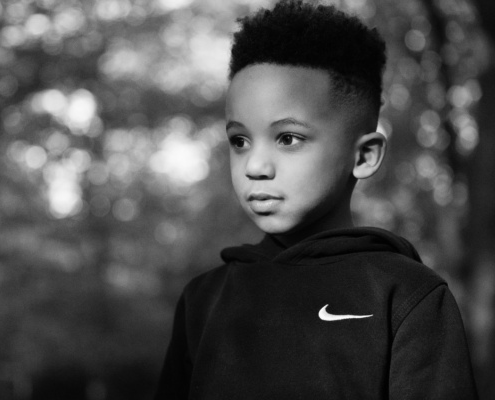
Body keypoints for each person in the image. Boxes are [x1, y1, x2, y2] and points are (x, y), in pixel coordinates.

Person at [154, 1, 478, 399]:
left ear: (363, 156)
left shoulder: (406, 295)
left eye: (288, 138)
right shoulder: (204, 300)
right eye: (240, 140)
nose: (255, 165)